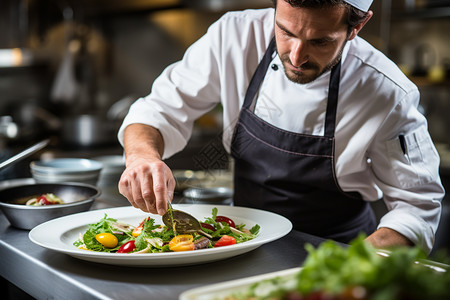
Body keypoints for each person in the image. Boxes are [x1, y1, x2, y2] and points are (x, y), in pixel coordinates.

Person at [117, 0, 445, 253]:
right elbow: (158, 109)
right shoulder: (234, 36)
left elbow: (417, 207)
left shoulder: (387, 93)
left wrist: (353, 266)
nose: (297, 56)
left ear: (356, 28)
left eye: (320, 42)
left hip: (333, 252)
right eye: (286, 32)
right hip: (243, 244)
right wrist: (142, 157)